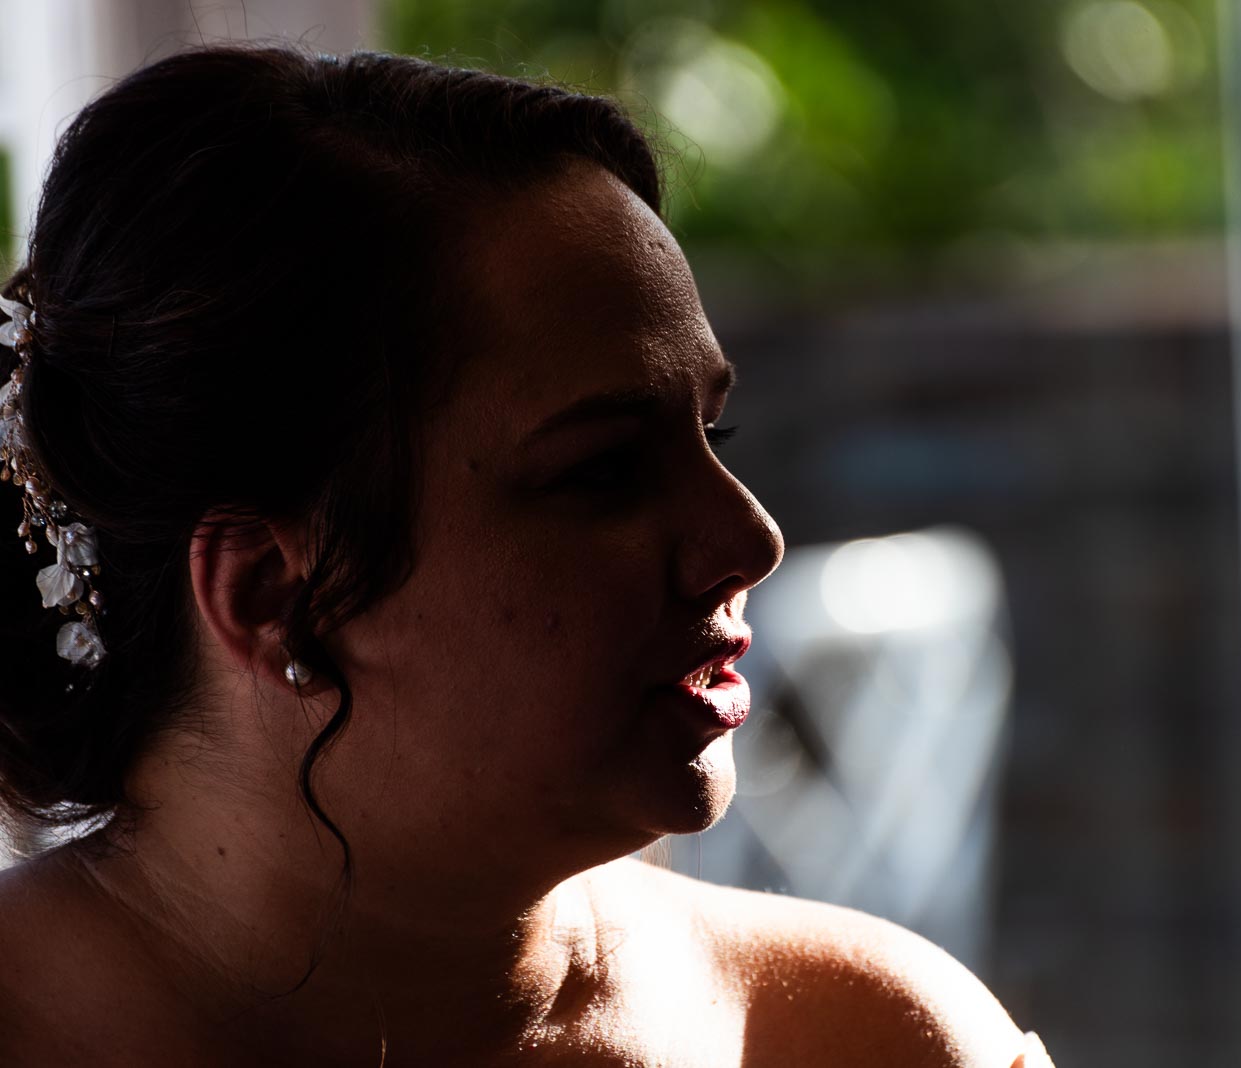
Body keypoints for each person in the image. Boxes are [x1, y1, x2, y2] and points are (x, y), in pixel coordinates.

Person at [0, 45, 1054, 1066]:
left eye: (712, 436)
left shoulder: (861, 1039)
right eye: (601, 472)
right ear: (274, 591)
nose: (751, 540)